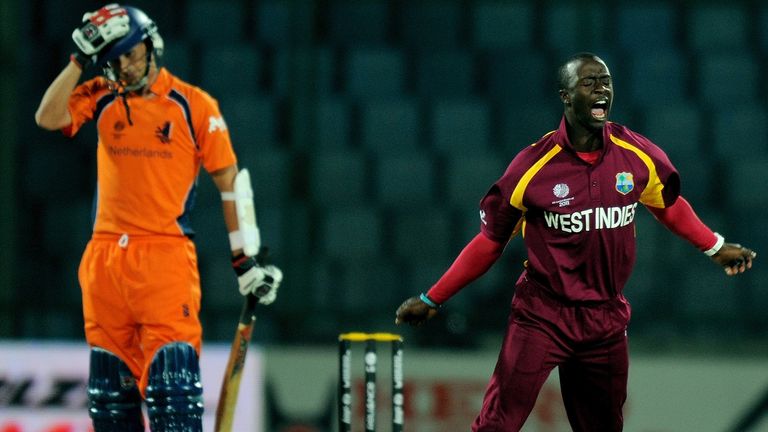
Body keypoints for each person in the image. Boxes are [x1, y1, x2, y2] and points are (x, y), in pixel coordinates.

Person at [394, 52, 758, 431]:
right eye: (588, 83)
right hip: (542, 314)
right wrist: (432, 298)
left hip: (605, 318)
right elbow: (490, 242)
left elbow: (667, 204)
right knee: (497, 424)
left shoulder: (638, 154)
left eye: (606, 81)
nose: (601, 89)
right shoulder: (531, 168)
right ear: (566, 96)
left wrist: (715, 246)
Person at [34, 4, 283, 431]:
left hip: (164, 260)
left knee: (175, 396)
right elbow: (48, 117)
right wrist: (78, 59)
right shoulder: (102, 93)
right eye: (114, 60)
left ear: (152, 46)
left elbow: (230, 183)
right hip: (105, 261)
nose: (124, 67)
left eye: (131, 54)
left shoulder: (194, 105)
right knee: (110, 403)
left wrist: (245, 259)